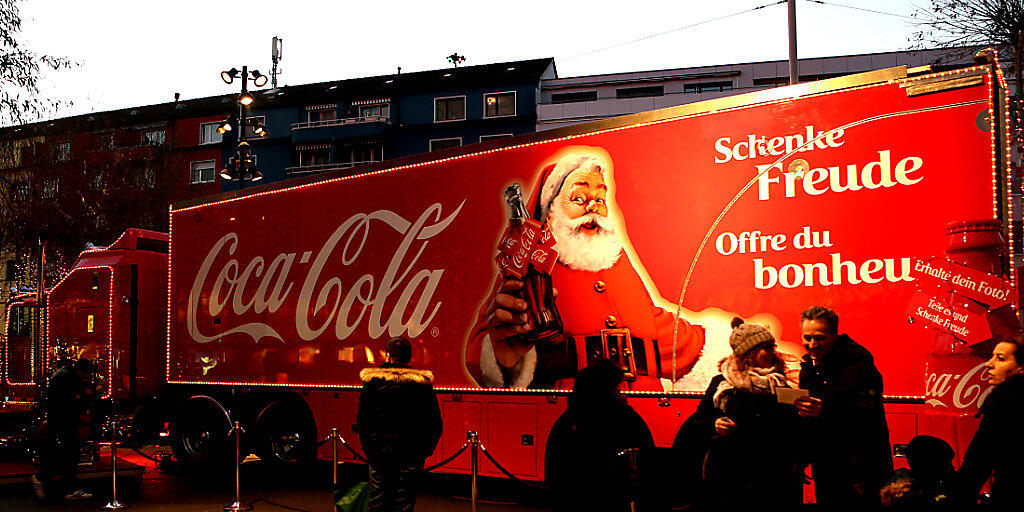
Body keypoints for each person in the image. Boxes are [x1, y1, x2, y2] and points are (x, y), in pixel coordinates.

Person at [465, 148, 705, 389]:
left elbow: (656, 328)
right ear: (550, 214)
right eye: (579, 199)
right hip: (570, 409)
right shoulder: (529, 265)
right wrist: (508, 358)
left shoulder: (615, 262)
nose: (592, 207)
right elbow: (483, 348)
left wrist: (715, 343)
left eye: (600, 199)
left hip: (644, 414)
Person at [677, 318, 804, 506]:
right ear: (748, 353)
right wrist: (715, 425)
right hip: (729, 474)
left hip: (771, 477)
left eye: (772, 346)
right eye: (765, 347)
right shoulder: (721, 384)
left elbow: (790, 430)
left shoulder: (780, 384)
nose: (771, 352)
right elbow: (696, 425)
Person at [793, 306, 892, 506]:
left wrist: (825, 410)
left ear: (835, 335)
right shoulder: (809, 367)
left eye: (819, 338)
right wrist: (801, 459)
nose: (812, 344)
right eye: (807, 338)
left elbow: (868, 413)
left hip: (860, 467)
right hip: (826, 465)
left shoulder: (858, 362)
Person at [545, 359, 655, 512]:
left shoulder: (569, 419)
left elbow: (556, 472)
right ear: (609, 388)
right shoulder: (625, 418)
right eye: (617, 386)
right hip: (610, 500)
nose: (621, 392)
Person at [356, 337, 442, 512]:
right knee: (404, 501)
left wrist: (369, 450)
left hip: (378, 454)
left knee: (378, 500)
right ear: (409, 357)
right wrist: (424, 451)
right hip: (411, 453)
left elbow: (363, 421)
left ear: (388, 356)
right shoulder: (421, 384)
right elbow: (434, 422)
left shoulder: (372, 383)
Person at [954, 337, 1024, 506]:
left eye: (1001, 359)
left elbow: (978, 460)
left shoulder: (1003, 403)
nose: (988, 364)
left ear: (1021, 367)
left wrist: (958, 497)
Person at [32, 358, 94, 500]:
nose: (86, 377)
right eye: (86, 374)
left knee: (63, 453)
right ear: (82, 371)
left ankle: (47, 479)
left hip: (59, 418)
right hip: (64, 419)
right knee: (71, 453)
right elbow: (75, 399)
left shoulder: (62, 374)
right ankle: (48, 480)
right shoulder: (68, 378)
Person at [879, 435, 955, 507]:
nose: (952, 467)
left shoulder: (893, 485)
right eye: (948, 463)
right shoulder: (924, 496)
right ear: (933, 465)